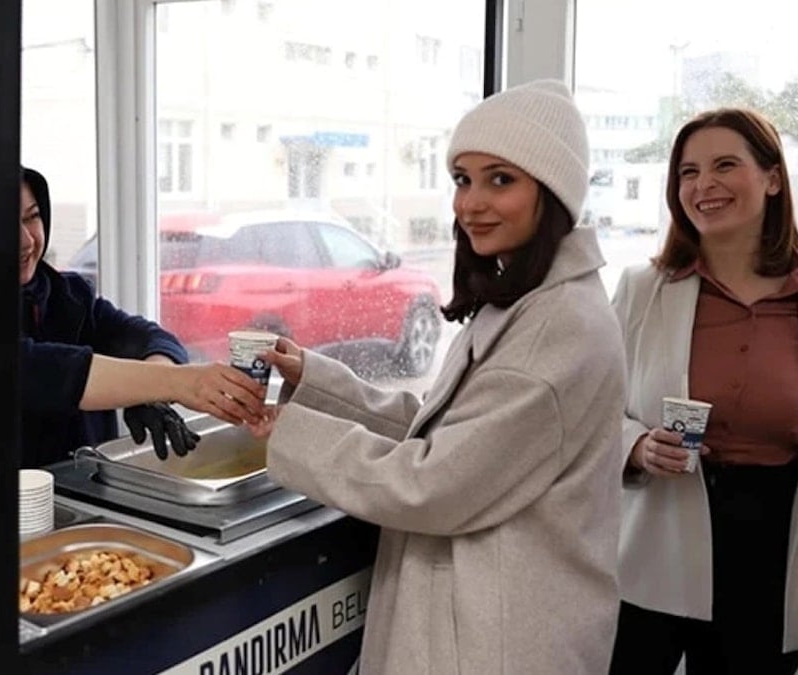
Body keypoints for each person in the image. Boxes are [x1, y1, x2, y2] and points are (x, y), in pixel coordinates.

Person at [249, 80, 626, 673]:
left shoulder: (557, 330)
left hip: (496, 640)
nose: (470, 203)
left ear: (552, 192)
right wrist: (314, 382)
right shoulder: (523, 299)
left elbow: (433, 483)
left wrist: (291, 435)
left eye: (500, 179)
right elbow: (444, 428)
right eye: (462, 179)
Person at [609, 108, 798, 675]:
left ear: (773, 178)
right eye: (688, 172)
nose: (703, 185)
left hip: (772, 562)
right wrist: (635, 446)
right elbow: (591, 413)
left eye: (724, 166)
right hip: (652, 549)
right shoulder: (642, 291)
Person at [0, 142, 266, 507]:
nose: (25, 241)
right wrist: (179, 383)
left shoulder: (64, 295)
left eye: (32, 217)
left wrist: (153, 390)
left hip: (63, 510)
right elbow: (33, 372)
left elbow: (146, 338)